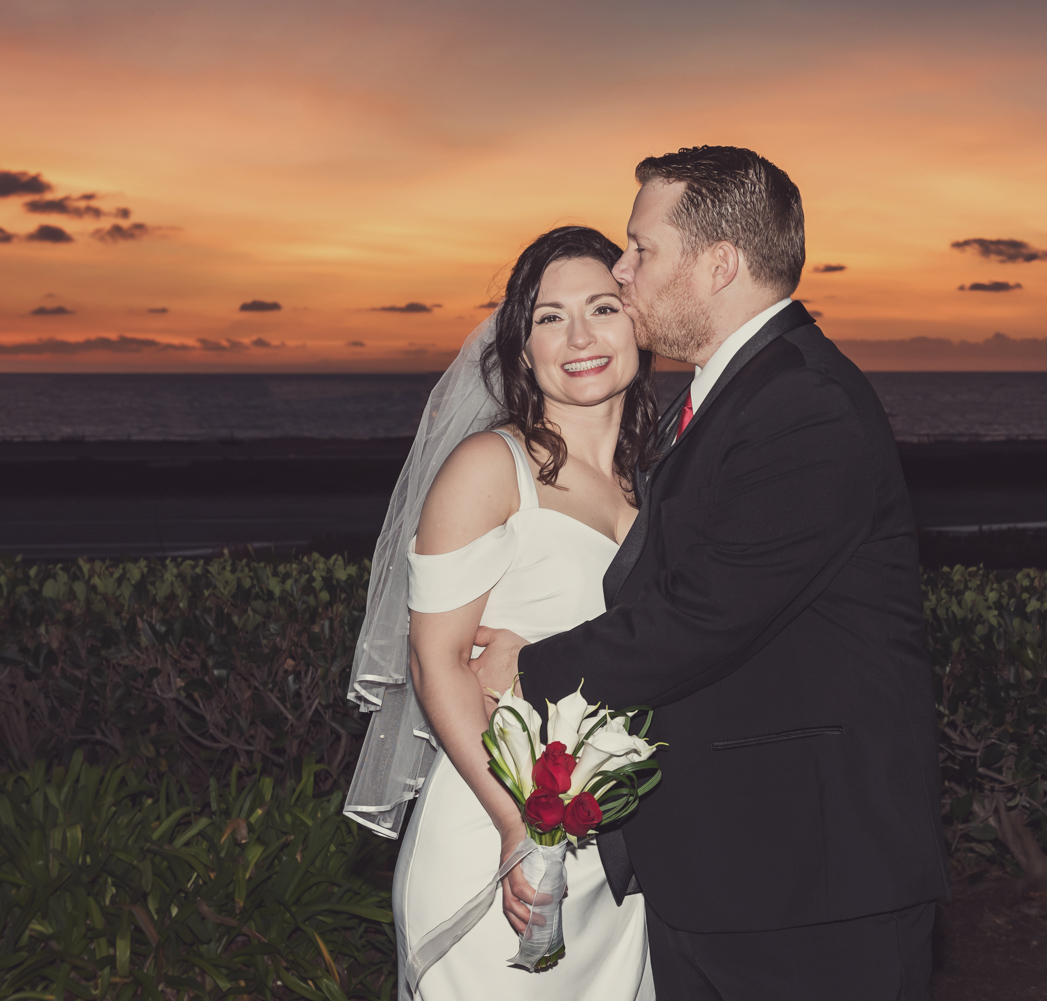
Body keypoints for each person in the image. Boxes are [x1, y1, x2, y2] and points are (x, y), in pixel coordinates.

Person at [473, 146, 949, 1001]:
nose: (625, 269)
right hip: (739, 865)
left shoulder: (804, 404)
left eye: (641, 250)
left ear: (718, 264)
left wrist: (528, 666)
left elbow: (705, 614)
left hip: (810, 885)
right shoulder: (738, 396)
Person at [343, 226, 658, 1000]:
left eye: (603, 308)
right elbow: (436, 661)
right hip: (495, 833)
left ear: (640, 325)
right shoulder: (489, 467)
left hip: (622, 860)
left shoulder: (659, 479)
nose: (580, 336)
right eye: (550, 317)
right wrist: (517, 824)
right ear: (522, 347)